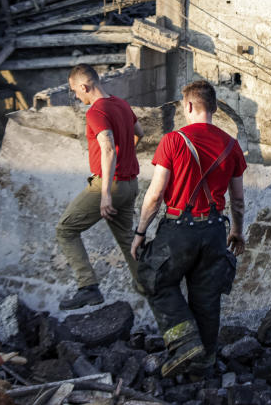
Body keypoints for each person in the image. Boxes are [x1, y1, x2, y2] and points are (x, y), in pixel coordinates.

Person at [131, 80, 247, 379]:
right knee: (207, 298)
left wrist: (140, 232)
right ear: (216, 107)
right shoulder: (232, 146)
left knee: (152, 279)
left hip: (178, 229)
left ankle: (183, 343)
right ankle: (204, 366)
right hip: (214, 232)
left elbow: (155, 195)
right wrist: (237, 231)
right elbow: (238, 199)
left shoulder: (173, 140)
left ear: (190, 106)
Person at [56, 64, 144, 310]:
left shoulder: (96, 111)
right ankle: (147, 286)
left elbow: (106, 147)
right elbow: (141, 133)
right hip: (130, 185)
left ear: (85, 86)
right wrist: (125, 155)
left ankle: (88, 287)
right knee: (127, 240)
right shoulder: (122, 104)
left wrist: (105, 193)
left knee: (65, 230)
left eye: (75, 91)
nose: (76, 96)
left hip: (112, 187)